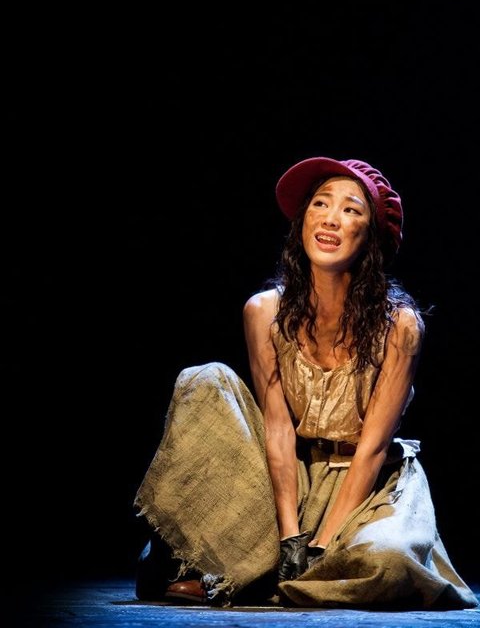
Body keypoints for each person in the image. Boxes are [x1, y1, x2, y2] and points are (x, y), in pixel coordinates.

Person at [133, 156, 478, 609]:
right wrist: (292, 538)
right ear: (303, 221)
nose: (331, 218)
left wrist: (320, 546)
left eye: (351, 210)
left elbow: (373, 448)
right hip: (292, 478)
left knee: (388, 562)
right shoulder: (263, 312)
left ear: (372, 236)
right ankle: (249, 564)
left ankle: (259, 578)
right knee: (205, 379)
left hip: (367, 486)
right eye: (320, 203)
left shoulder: (401, 326)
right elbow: (277, 428)